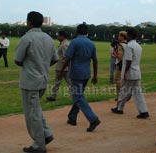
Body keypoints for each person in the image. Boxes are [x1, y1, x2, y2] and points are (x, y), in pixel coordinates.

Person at [15, 11, 58, 153]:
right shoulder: (49, 38)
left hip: (30, 81)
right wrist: (42, 66)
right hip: (44, 79)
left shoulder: (27, 38)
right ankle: (46, 134)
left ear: (29, 22)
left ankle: (39, 144)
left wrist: (33, 66)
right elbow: (55, 59)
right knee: (36, 109)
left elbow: (18, 60)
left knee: (31, 113)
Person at [59, 23, 101, 132]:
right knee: (78, 96)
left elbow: (68, 58)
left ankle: (93, 119)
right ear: (87, 32)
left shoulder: (75, 42)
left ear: (77, 31)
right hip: (86, 73)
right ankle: (72, 117)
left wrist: (62, 70)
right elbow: (95, 60)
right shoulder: (91, 43)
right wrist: (95, 75)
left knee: (78, 96)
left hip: (76, 73)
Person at [111, 28, 149, 119]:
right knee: (138, 93)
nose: (126, 36)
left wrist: (125, 72)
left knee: (123, 91)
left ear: (130, 35)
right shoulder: (138, 46)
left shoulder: (129, 46)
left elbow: (128, 60)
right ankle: (144, 111)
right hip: (137, 72)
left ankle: (119, 108)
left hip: (130, 72)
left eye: (127, 34)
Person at [47, 31, 71, 101]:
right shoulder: (64, 44)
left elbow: (66, 57)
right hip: (62, 67)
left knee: (69, 83)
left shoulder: (64, 45)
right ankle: (53, 96)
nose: (57, 37)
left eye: (59, 36)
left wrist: (62, 69)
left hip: (63, 67)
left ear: (63, 36)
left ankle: (53, 96)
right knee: (58, 83)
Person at [113, 31, 127, 100]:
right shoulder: (127, 44)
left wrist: (114, 53)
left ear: (122, 37)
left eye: (119, 36)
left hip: (120, 64)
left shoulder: (121, 45)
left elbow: (120, 56)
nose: (118, 37)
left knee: (117, 80)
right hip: (125, 64)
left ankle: (120, 96)